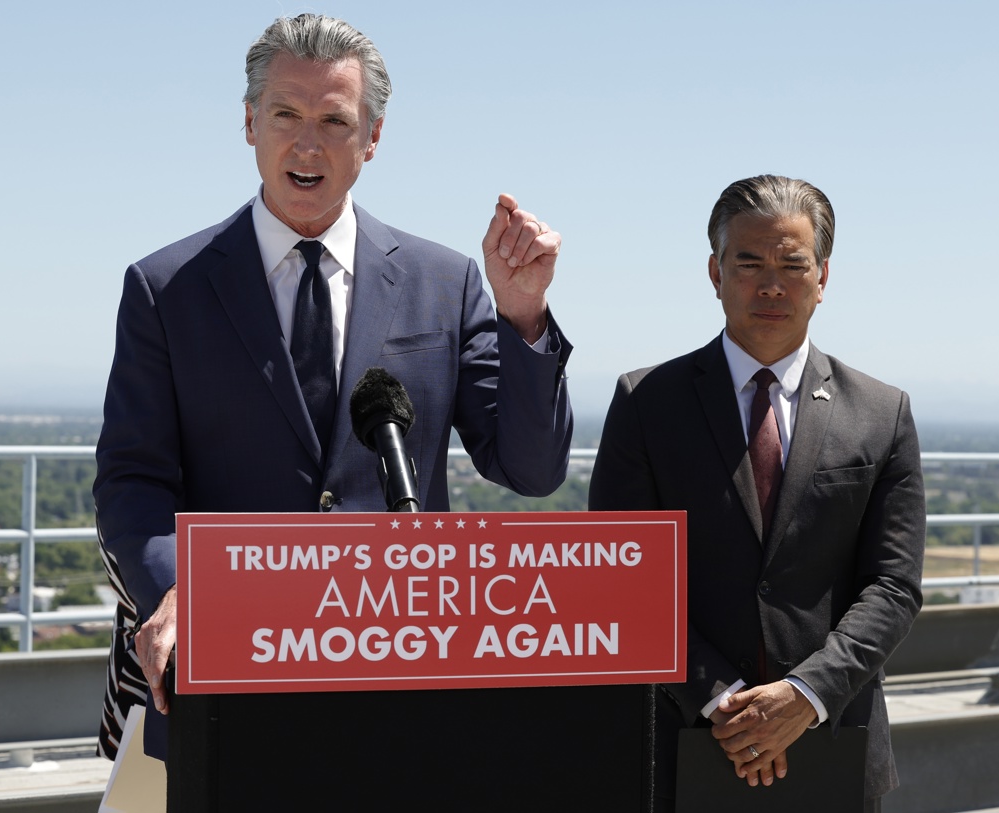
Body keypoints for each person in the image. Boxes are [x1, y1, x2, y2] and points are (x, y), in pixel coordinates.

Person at [93, 14, 572, 762]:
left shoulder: (445, 282)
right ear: (249, 122)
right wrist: (179, 595)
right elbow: (133, 481)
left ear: (373, 138)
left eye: (334, 120)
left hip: (395, 680)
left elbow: (532, 469)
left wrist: (525, 317)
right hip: (218, 681)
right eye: (284, 113)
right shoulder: (164, 288)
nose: (307, 142)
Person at [588, 174, 924, 811]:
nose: (771, 285)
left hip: (833, 735)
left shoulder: (882, 413)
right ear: (714, 273)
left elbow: (894, 586)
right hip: (684, 738)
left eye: (793, 264)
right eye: (748, 263)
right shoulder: (646, 403)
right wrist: (724, 702)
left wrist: (803, 695)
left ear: (823, 276)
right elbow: (622, 579)